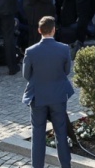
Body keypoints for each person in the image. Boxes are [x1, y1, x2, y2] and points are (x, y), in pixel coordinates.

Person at [23, 16, 75, 168]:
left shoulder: (30, 51)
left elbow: (26, 75)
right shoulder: (64, 48)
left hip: (38, 97)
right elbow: (66, 71)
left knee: (37, 135)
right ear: (54, 30)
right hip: (58, 96)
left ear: (39, 30)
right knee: (61, 134)